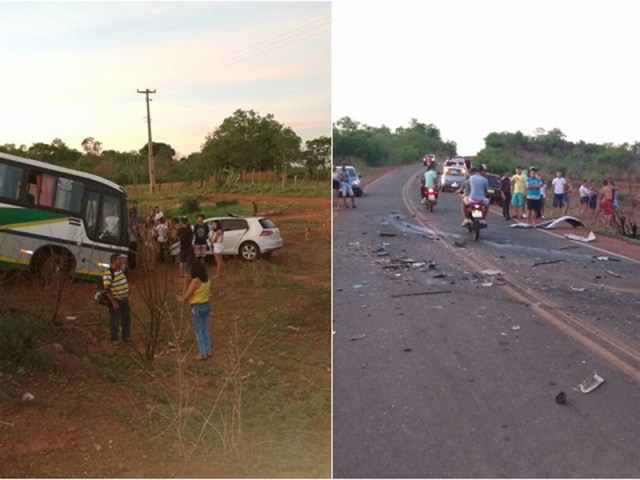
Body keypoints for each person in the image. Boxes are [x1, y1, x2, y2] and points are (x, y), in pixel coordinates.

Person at [177, 262, 211, 361]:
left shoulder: (195, 281)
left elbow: (187, 295)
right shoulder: (207, 280)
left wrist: (180, 298)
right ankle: (208, 350)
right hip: (206, 305)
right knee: (204, 328)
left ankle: (202, 353)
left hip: (197, 307)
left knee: (198, 331)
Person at [103, 253, 131, 347]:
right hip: (116, 300)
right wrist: (113, 302)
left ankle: (126, 337)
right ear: (114, 261)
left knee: (126, 319)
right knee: (115, 320)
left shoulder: (120, 271)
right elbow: (106, 290)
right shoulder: (108, 273)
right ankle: (114, 339)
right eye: (119, 259)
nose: (121, 261)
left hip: (124, 299)